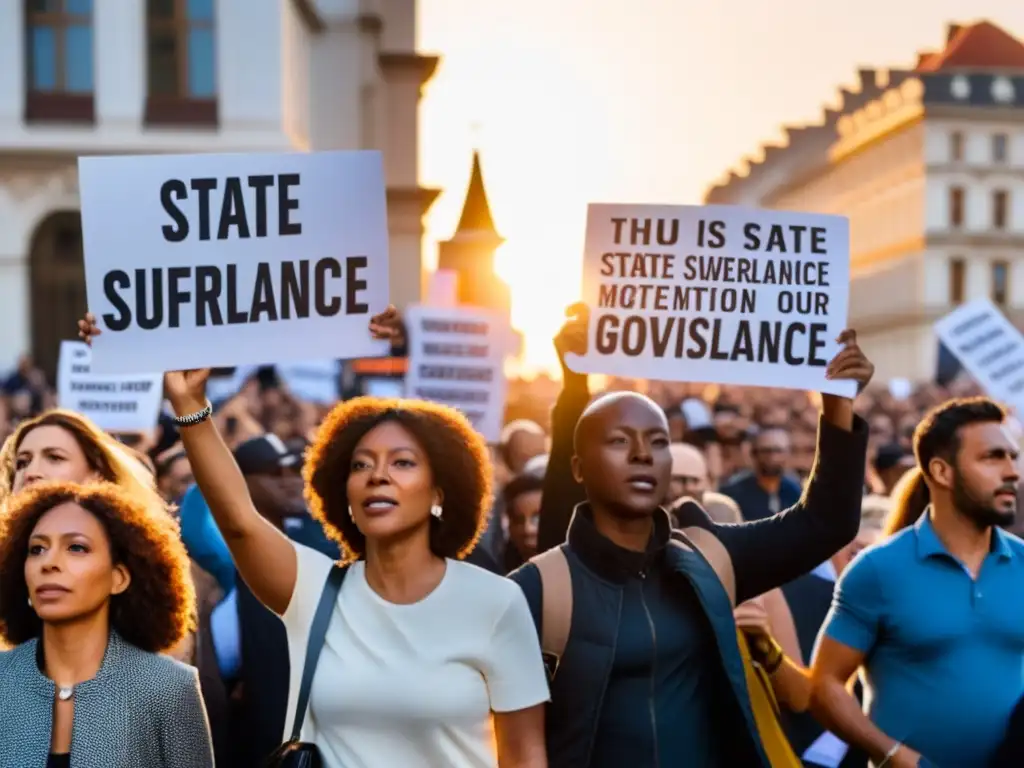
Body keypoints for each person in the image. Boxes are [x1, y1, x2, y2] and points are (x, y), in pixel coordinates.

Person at [78, 307, 549, 768]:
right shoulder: (316, 591)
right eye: (361, 465)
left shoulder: (496, 602)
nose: (377, 476)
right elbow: (240, 521)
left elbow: (525, 756)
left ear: (440, 492)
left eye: (402, 463)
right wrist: (189, 406)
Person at [514, 302, 873, 766]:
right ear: (579, 468)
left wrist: (838, 403)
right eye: (620, 441)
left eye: (658, 442)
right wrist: (575, 387)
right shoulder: (540, 589)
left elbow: (826, 524)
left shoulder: (710, 559)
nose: (643, 454)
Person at [811, 397, 1024, 767]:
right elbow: (825, 685)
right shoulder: (877, 570)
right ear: (942, 472)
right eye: (992, 457)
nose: (1012, 472)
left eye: (1012, 456)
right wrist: (893, 755)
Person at [0, 481, 214, 767]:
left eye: (76, 547)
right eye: (37, 549)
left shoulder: (170, 687)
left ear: (119, 578)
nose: (48, 563)